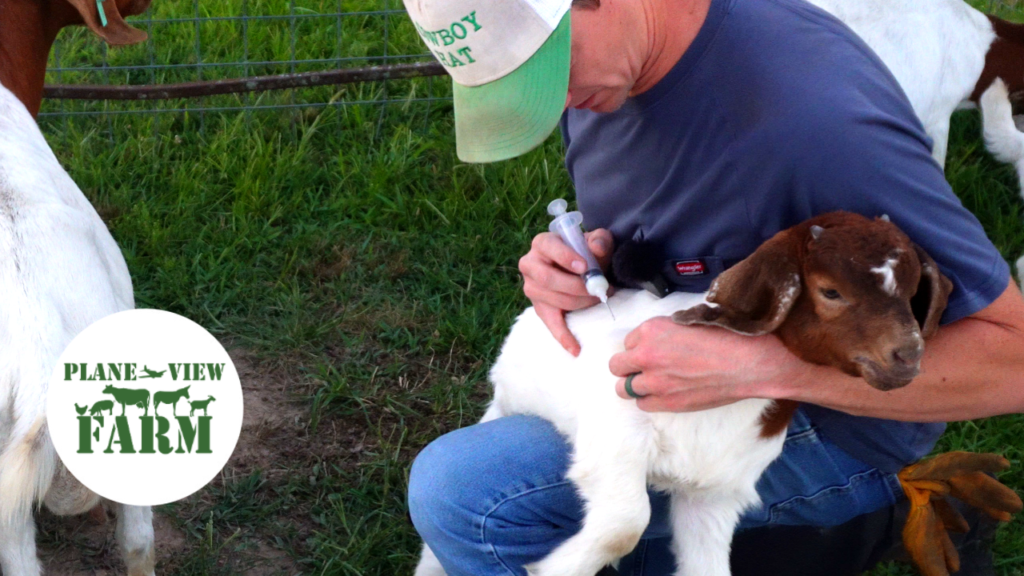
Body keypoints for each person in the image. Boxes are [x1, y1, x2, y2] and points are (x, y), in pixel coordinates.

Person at [401, 0, 1024, 574]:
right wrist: (578, 264)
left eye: (550, 68)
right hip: (682, 367)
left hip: (833, 425)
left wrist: (762, 368)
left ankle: (870, 514)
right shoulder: (608, 74)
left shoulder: (815, 124)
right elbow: (672, 229)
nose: (556, 100)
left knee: (467, 493)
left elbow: (1013, 359)